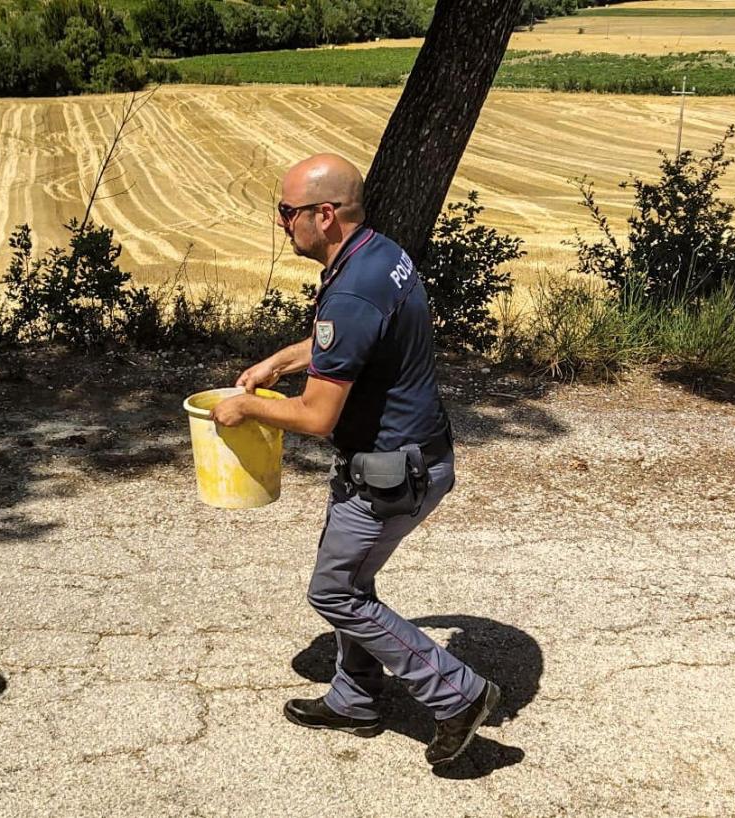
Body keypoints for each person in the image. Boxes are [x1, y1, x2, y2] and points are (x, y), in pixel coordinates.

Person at [210, 153, 499, 766]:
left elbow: (317, 418)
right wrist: (276, 364)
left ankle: (457, 694)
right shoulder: (378, 254)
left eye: (287, 212)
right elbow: (343, 342)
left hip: (392, 473)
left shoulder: (355, 290)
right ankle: (354, 698)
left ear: (324, 214)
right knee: (353, 579)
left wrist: (249, 408)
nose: (280, 223)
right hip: (417, 455)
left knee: (336, 591)